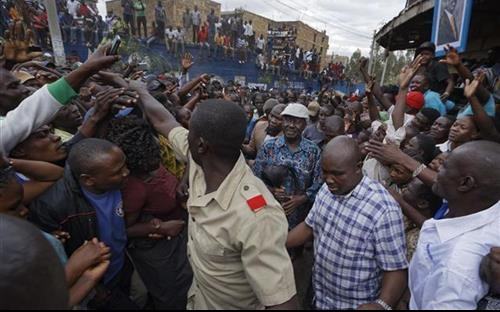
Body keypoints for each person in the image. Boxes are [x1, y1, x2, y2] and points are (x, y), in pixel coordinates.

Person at [129, 79, 299, 309]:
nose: (184, 134)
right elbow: (163, 120)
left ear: (201, 145)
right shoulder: (201, 161)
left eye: (190, 131)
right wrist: (138, 88)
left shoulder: (258, 216)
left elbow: (283, 305)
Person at [286, 136, 408, 310]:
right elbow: (309, 227)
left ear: (358, 167)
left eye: (337, 174)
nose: (328, 179)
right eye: (325, 172)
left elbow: (395, 269)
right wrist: (277, 242)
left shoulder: (383, 209)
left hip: (353, 304)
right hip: (319, 296)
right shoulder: (327, 190)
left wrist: (381, 304)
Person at [29, 138, 138, 309]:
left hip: (120, 265)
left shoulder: (116, 181)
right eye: (118, 171)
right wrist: (92, 289)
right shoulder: (53, 206)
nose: (126, 172)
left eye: (125, 165)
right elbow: (54, 260)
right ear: (88, 180)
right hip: (94, 284)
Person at [106, 116, 192, 310]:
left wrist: (182, 183)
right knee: (171, 294)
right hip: (158, 249)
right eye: (148, 170)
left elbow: (190, 160)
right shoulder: (133, 189)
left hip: (178, 234)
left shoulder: (148, 157)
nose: (155, 169)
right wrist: (161, 228)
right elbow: (123, 230)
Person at [409, 141, 500, 309]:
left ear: (465, 183)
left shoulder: (457, 267)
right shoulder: (474, 203)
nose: (436, 170)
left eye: (444, 166)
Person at [253, 103, 322, 231]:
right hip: (269, 214)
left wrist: (301, 198)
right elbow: (255, 178)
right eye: (288, 120)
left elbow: (319, 183)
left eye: (297, 122)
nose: (291, 125)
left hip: (300, 218)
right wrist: (271, 191)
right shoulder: (269, 147)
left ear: (305, 125)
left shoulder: (313, 151)